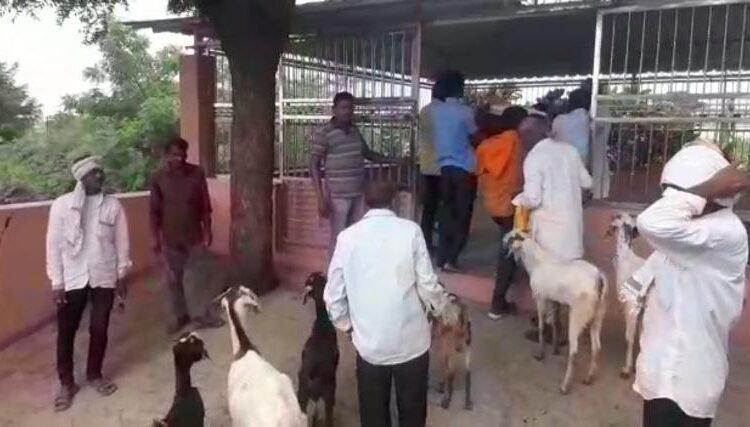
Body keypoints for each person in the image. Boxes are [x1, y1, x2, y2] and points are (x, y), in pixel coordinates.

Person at [632, 139, 749, 427]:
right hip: (661, 371)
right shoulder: (685, 232)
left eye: (676, 193)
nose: (669, 200)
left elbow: (651, 222)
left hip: (691, 377)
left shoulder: (725, 231)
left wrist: (705, 188)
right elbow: (642, 278)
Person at [324, 181, 450, 427]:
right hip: (411, 342)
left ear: (364, 203)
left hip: (370, 346)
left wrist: (348, 326)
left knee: (373, 415)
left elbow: (333, 296)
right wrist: (440, 309)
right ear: (395, 202)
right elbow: (428, 285)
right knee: (412, 413)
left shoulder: (347, 238)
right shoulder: (411, 231)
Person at [46, 155, 131, 412]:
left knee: (99, 327)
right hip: (72, 278)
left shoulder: (113, 206)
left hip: (104, 275)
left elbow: (122, 242)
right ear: (81, 177)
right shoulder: (62, 206)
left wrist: (122, 274)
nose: (100, 175)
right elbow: (53, 245)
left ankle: (94, 374)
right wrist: (57, 281)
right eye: (94, 172)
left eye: (100, 171)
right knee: (66, 331)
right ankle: (67, 384)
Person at [513, 114, 593, 343]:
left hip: (548, 231)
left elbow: (533, 198)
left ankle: (550, 328)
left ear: (526, 137)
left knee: (546, 279)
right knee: (567, 278)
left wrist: (517, 199)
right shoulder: (570, 150)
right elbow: (587, 183)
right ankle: (565, 325)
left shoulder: (534, 158)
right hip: (571, 228)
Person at [149, 137, 224, 334]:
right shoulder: (158, 178)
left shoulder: (196, 174)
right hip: (170, 238)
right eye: (174, 155)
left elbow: (205, 205)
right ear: (166, 155)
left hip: (194, 236)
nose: (179, 158)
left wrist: (208, 230)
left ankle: (201, 315)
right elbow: (154, 211)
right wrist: (155, 238)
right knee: (173, 280)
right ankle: (179, 317)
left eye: (183, 154)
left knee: (197, 279)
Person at [310, 91, 393, 260]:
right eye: (343, 108)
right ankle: (332, 273)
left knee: (356, 238)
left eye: (350, 108)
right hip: (338, 196)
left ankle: (352, 272)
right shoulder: (325, 133)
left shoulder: (354, 131)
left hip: (358, 194)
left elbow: (368, 154)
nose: (347, 111)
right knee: (339, 239)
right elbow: (313, 165)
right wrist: (320, 197)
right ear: (334, 110)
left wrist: (394, 160)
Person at [475, 105, 528, 319]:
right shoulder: (516, 140)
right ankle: (497, 303)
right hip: (511, 205)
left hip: (493, 205)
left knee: (508, 245)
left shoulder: (488, 144)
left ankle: (506, 281)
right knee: (509, 250)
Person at [431, 71, 480, 272]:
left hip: (444, 168)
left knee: (446, 214)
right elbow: (475, 137)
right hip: (464, 168)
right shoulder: (465, 112)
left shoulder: (435, 112)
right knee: (463, 215)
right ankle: (452, 258)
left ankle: (441, 258)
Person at [418, 81, 446, 254]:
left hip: (426, 165)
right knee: (445, 209)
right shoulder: (446, 112)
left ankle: (426, 244)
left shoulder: (425, 111)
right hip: (443, 166)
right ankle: (443, 247)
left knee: (428, 209)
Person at [552, 88, 592, 168]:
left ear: (570, 103)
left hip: (560, 166)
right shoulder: (590, 121)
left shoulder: (559, 120)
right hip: (584, 167)